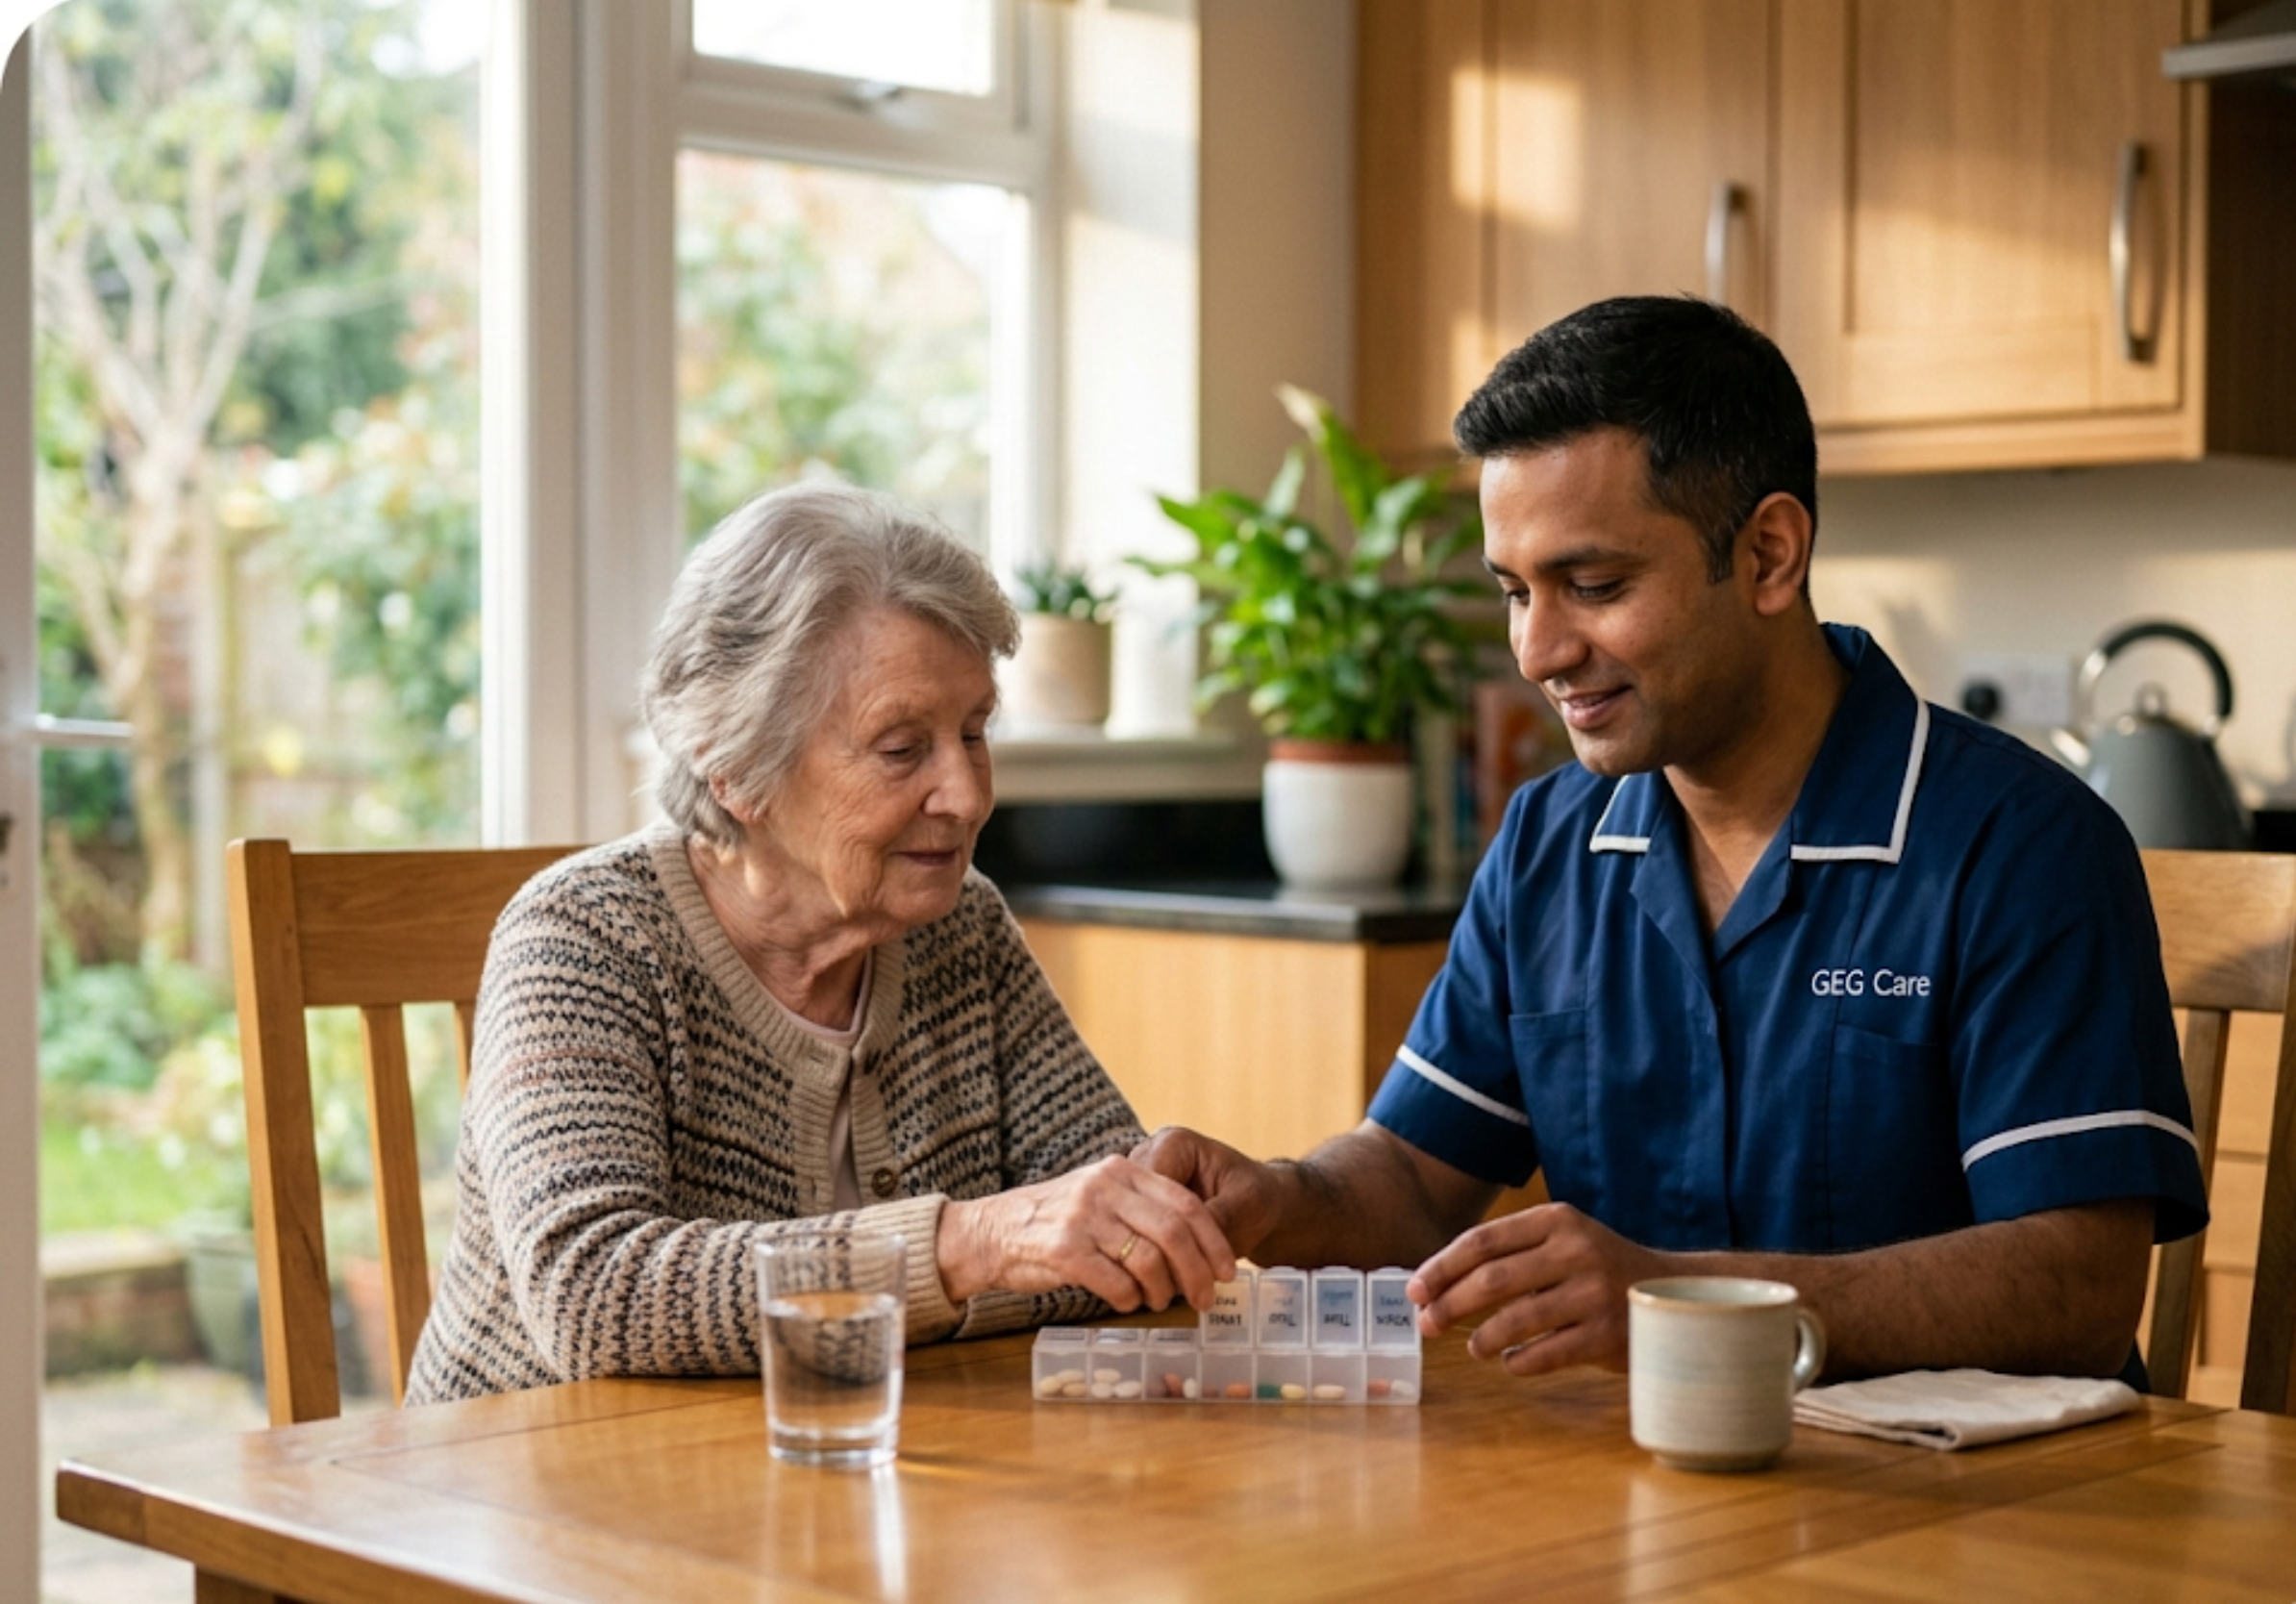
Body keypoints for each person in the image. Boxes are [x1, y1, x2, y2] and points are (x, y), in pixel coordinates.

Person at [1138, 295, 2208, 1386]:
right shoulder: (1547, 844)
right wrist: (1279, 1198)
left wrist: (1679, 1301)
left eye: (1593, 586)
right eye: (1514, 592)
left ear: (1770, 555)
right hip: (1650, 1467)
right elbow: (1413, 1182)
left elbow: (2081, 1288)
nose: (1538, 651)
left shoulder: (2022, 845)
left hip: (1979, 1485)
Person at [407, 483, 1232, 1404]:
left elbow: (1112, 1230)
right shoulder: (584, 939)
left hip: (854, 1470)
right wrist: (968, 1248)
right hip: (539, 1475)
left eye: (974, 732)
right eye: (901, 749)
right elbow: (593, 1295)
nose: (966, 795)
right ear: (736, 767)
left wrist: (1081, 1234)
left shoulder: (962, 930)